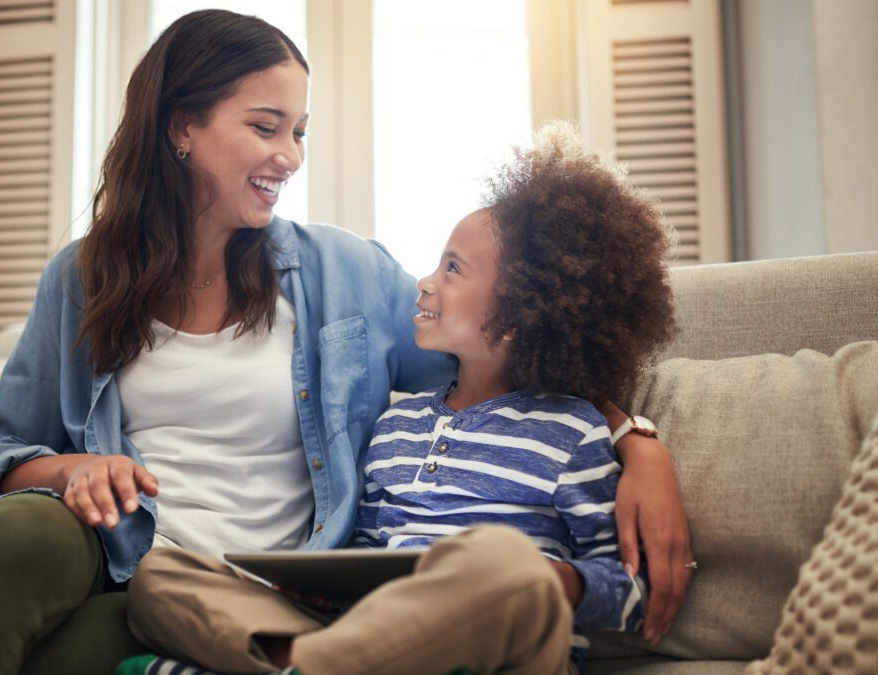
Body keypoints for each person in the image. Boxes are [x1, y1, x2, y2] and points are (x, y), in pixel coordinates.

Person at [0, 10, 690, 675]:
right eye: (266, 125)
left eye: (301, 130)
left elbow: (507, 356)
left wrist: (631, 435)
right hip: (139, 567)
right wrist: (68, 470)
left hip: (272, 591)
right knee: (23, 531)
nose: (291, 154)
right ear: (182, 127)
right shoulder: (82, 279)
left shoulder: (348, 275)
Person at [125, 121, 683, 675]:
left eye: (454, 269)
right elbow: (366, 548)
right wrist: (327, 590)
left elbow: (630, 590)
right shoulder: (398, 424)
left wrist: (558, 580)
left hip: (500, 647)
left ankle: (295, 665)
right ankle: (316, 660)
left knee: (501, 560)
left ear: (515, 318)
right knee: (163, 577)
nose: (425, 281)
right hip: (379, 638)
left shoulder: (571, 432)